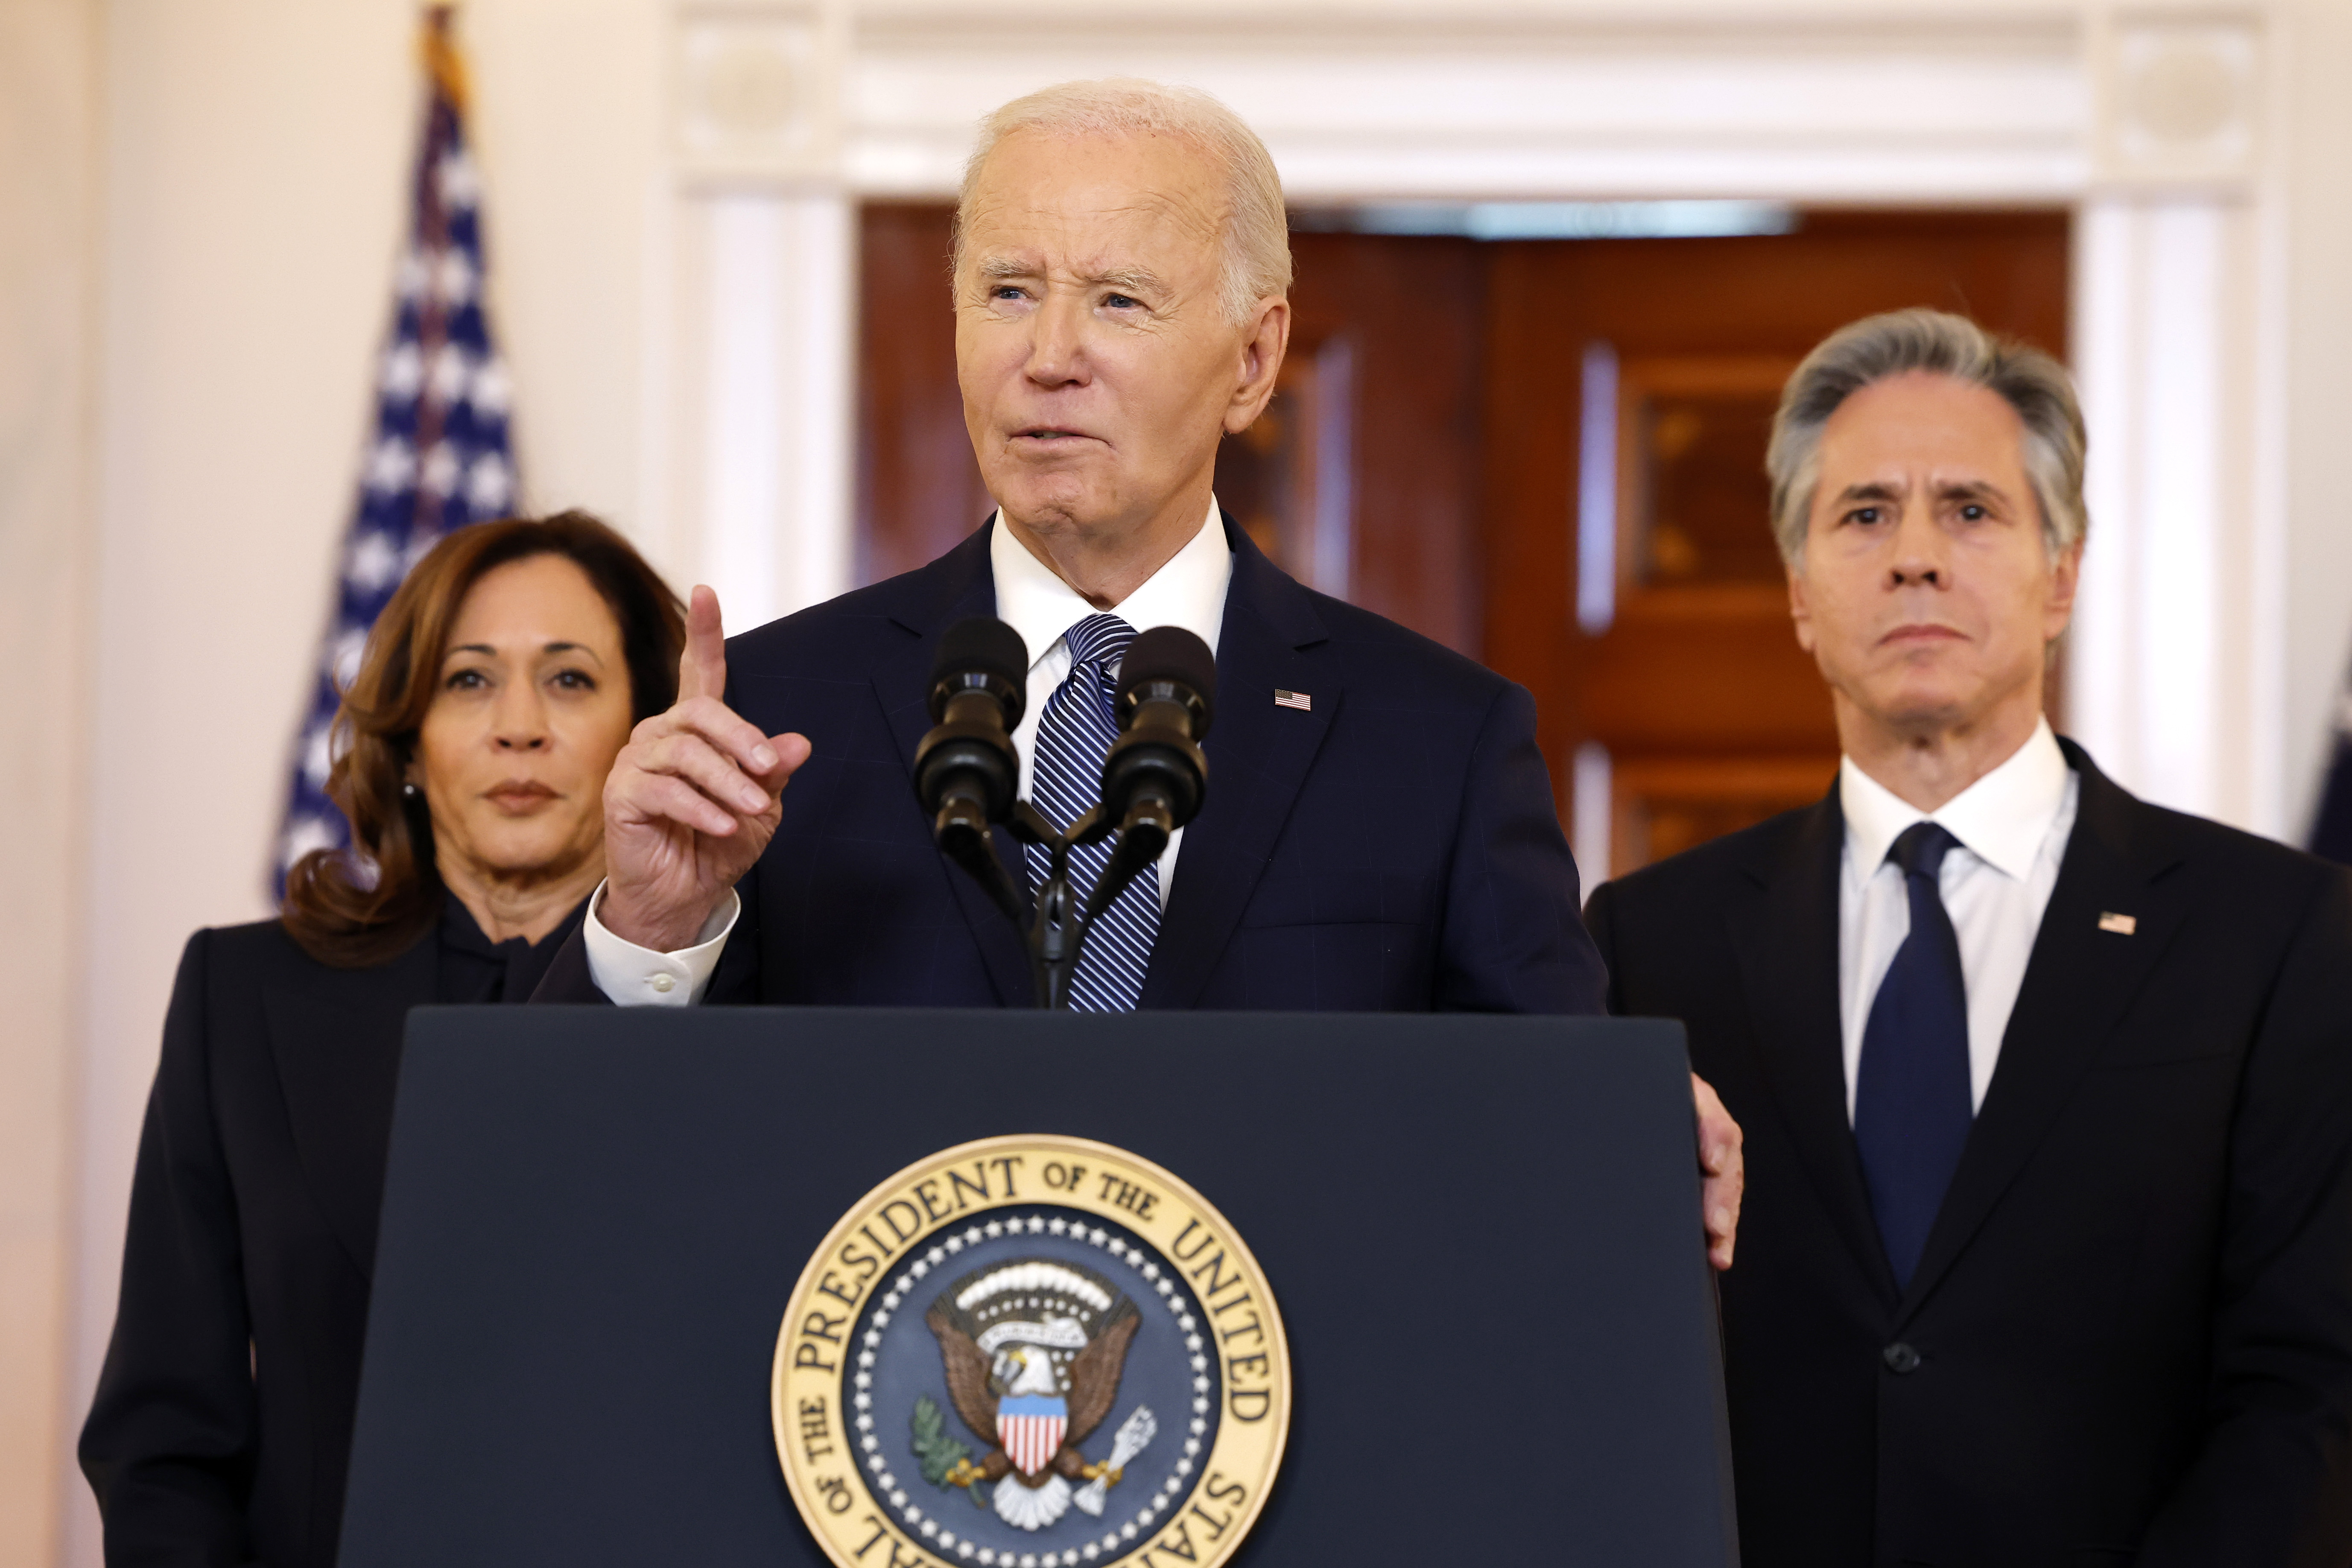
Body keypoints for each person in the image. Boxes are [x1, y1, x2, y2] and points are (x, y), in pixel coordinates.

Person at [531, 77, 1742, 1262]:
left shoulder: (1436, 739)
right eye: (1007, 291)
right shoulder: (769, 713)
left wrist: (1619, 1125)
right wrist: (650, 931)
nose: (1048, 355)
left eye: (1117, 301)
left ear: (1254, 361)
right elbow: (580, 1182)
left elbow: (1541, 1135)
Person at [1584, 308, 2352, 1566]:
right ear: (1797, 590)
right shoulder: (1646, 940)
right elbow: (1606, 1364)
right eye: (1864, 513)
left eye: (1971, 510)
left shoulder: (2267, 933)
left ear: (2060, 575)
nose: (1916, 558)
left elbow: (2307, 1382)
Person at [80, 512, 685, 1568]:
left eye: (572, 679)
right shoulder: (244, 997)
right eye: (468, 680)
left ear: (649, 730)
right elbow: (164, 1441)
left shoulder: (738, 1000)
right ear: (407, 742)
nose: (519, 728)